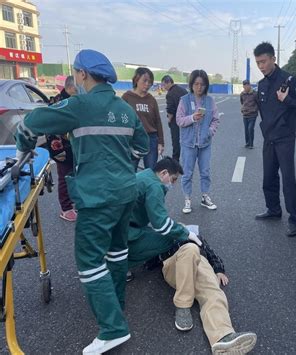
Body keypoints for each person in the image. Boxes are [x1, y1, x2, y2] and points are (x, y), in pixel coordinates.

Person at [15, 49, 149, 354]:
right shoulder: (125, 109)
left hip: (97, 196)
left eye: (76, 72)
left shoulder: (79, 104)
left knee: (89, 262)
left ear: (83, 74)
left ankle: (113, 328)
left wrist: (23, 144)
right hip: (126, 191)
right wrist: (124, 165)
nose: (75, 76)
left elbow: (34, 121)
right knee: (116, 252)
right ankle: (115, 307)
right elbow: (142, 145)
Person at [127, 157, 257, 354]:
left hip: (199, 263)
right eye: (174, 179)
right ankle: (183, 304)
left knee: (212, 291)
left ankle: (223, 337)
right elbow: (155, 239)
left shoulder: (192, 234)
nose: (173, 184)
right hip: (174, 263)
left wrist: (219, 268)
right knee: (190, 249)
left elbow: (208, 248)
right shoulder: (168, 233)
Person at [253, 42, 296, 237]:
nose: (261, 66)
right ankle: (273, 209)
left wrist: (287, 100)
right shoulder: (261, 85)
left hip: (285, 138)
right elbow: (262, 111)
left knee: (288, 180)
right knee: (268, 177)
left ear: (273, 59)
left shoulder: (289, 80)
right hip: (269, 138)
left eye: (264, 61)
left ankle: (295, 218)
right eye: (258, 63)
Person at [176, 69, 219, 214]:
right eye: (196, 84)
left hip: (205, 143)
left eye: (202, 84)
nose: (199, 87)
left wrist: (209, 132)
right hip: (188, 143)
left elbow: (215, 120)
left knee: (205, 172)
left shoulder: (210, 101)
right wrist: (192, 118)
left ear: (206, 85)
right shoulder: (184, 100)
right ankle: (187, 199)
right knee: (187, 173)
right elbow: (179, 120)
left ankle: (204, 196)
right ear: (191, 84)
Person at [45, 75, 77, 222]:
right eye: (77, 89)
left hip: (74, 146)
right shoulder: (57, 102)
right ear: (70, 87)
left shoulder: (74, 101)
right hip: (61, 147)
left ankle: (73, 202)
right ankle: (66, 208)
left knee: (75, 175)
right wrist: (58, 151)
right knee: (64, 177)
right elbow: (51, 128)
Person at [122, 67, 164, 170]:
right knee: (130, 170)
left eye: (150, 82)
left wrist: (161, 142)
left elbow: (158, 121)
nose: (147, 84)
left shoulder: (151, 99)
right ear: (136, 80)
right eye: (144, 81)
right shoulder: (127, 97)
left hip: (150, 138)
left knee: (150, 171)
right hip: (132, 139)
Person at [162, 75, 188, 161]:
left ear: (169, 82)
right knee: (186, 140)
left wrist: (169, 120)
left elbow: (170, 109)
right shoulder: (183, 90)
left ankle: (175, 159)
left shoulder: (170, 93)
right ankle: (187, 158)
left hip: (175, 120)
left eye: (164, 85)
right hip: (186, 118)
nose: (164, 87)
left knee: (175, 140)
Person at [240, 79, 259, 148]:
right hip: (245, 114)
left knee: (250, 128)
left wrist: (255, 109)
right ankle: (247, 143)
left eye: (247, 85)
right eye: (244, 86)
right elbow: (242, 102)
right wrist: (243, 109)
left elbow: (258, 102)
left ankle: (251, 144)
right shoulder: (242, 94)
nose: (245, 87)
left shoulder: (255, 93)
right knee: (246, 129)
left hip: (253, 114)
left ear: (249, 85)